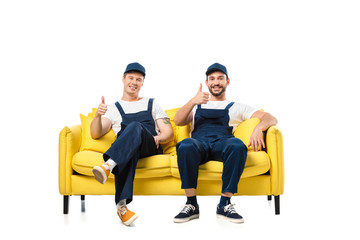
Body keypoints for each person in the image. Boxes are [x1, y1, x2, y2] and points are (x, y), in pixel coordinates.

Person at [173, 63, 278, 224]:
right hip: (198, 145)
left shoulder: (237, 107)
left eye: (220, 78)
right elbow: (178, 121)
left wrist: (259, 128)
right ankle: (192, 204)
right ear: (207, 82)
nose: (216, 82)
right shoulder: (196, 105)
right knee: (186, 145)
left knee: (237, 145)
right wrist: (193, 101)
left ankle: (224, 204)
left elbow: (271, 118)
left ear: (227, 81)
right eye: (212, 79)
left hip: (223, 144)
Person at [91, 62, 173, 226]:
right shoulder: (113, 108)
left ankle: (108, 165)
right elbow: (95, 133)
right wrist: (98, 116)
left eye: (138, 79)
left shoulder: (152, 103)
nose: (134, 82)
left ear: (142, 83)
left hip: (150, 146)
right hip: (128, 149)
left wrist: (159, 138)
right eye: (131, 78)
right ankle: (122, 208)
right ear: (123, 79)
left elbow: (168, 131)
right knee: (129, 150)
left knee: (135, 126)